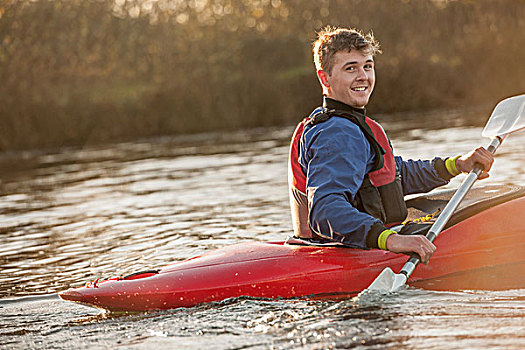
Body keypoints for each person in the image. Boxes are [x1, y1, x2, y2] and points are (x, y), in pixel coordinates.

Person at [288, 26, 494, 264]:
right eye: (350, 68)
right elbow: (326, 210)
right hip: (348, 253)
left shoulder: (349, 124)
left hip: (367, 243)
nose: (363, 76)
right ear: (325, 78)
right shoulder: (338, 133)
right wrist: (390, 240)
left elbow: (394, 176)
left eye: (367, 66)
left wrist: (456, 165)